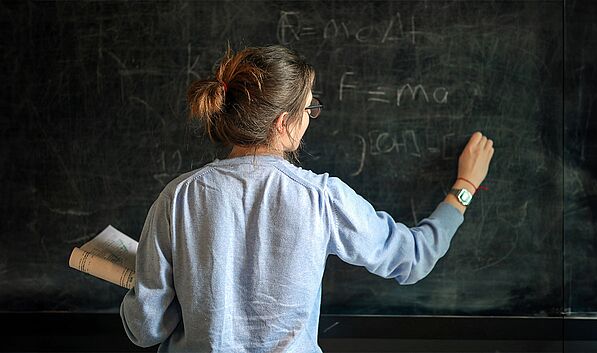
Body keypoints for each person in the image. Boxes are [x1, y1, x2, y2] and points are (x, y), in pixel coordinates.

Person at [120, 45, 494, 352]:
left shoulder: (178, 198)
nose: (311, 118)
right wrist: (464, 188)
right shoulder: (321, 199)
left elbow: (146, 328)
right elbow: (412, 259)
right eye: (309, 109)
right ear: (283, 123)